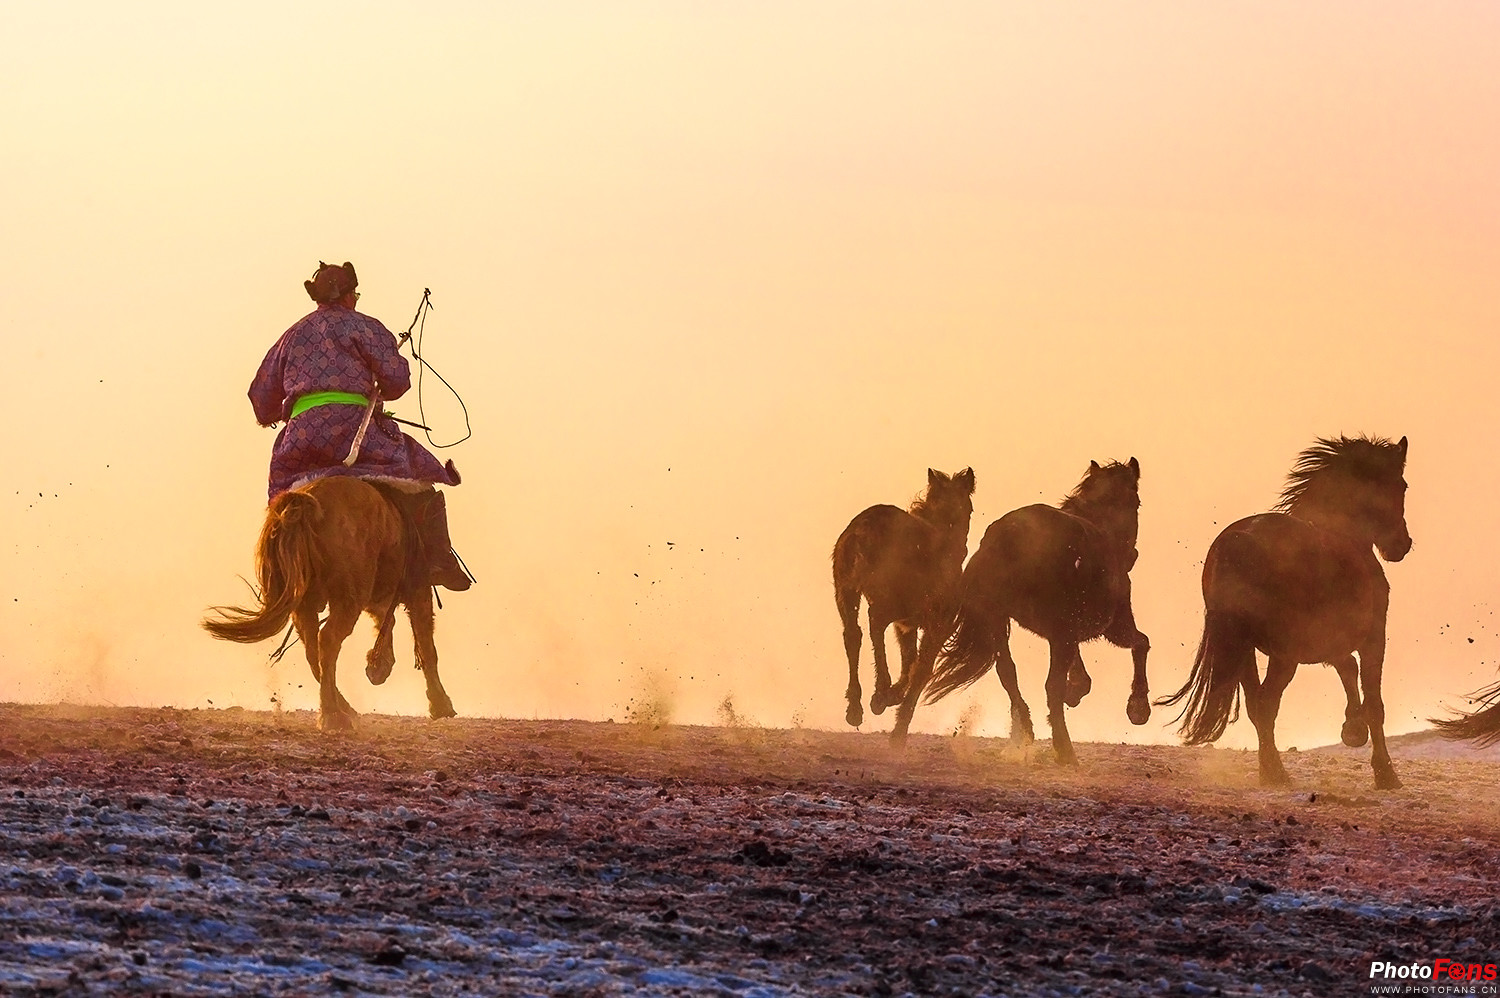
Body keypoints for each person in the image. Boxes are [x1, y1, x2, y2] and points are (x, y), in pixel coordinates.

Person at [249, 261, 471, 591]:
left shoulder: (290, 336)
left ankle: (275, 578)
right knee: (422, 476)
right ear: (349, 295)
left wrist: (276, 414)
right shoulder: (366, 327)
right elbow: (397, 381)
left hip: (300, 444)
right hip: (356, 434)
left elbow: (261, 399)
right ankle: (438, 561)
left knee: (282, 506)